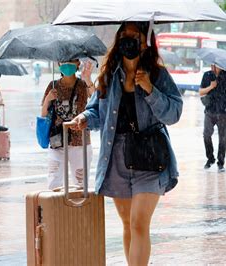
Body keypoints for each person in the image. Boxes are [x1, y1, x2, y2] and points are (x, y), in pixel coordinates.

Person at [69, 22, 183, 265]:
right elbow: (96, 111)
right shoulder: (110, 75)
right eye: (124, 35)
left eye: (134, 35)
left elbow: (174, 114)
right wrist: (84, 118)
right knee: (128, 225)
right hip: (116, 157)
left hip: (149, 158)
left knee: (139, 222)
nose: (128, 39)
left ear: (145, 41)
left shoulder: (158, 74)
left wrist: (150, 89)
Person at [41, 59, 94, 189]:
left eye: (71, 61)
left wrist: (88, 78)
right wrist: (48, 99)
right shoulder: (52, 85)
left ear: (77, 64)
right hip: (57, 140)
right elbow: (43, 114)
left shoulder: (83, 85)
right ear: (58, 64)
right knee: (54, 182)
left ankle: (79, 209)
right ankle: (54, 209)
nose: (67, 64)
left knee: (81, 184)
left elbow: (97, 99)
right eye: (63, 61)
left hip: (80, 141)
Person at [199, 63, 226, 172]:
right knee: (206, 135)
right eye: (213, 65)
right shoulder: (207, 75)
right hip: (210, 111)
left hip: (224, 112)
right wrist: (211, 86)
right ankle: (210, 158)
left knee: (222, 138)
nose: (214, 67)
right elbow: (200, 92)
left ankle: (221, 163)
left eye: (217, 65)